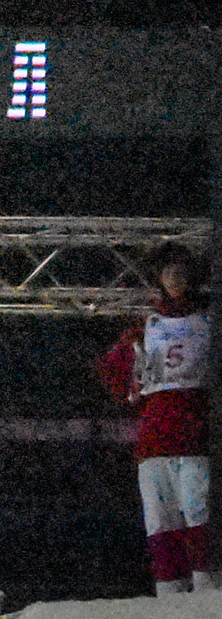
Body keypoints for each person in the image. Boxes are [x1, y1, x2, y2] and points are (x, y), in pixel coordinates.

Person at [99, 246, 212, 596]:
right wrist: (128, 377)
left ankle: (209, 594)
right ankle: (170, 596)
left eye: (181, 272)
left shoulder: (211, 321)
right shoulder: (145, 325)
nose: (175, 279)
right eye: (168, 272)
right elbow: (113, 371)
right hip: (154, 438)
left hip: (196, 434)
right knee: (161, 525)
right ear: (159, 279)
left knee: (201, 515)